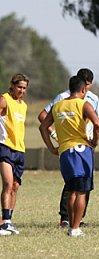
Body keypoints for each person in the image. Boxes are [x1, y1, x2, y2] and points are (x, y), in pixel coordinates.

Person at [39, 75, 99, 237]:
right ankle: (75, 228)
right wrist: (94, 140)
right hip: (81, 150)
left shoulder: (58, 106)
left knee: (72, 189)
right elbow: (97, 124)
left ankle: (70, 225)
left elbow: (43, 126)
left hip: (65, 151)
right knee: (81, 191)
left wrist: (52, 147)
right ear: (83, 89)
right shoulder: (84, 104)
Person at [0, 74, 29, 236]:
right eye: (19, 87)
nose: (22, 91)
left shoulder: (23, 105)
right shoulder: (4, 99)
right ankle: (4, 224)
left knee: (15, 187)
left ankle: (8, 221)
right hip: (4, 147)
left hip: (20, 150)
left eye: (24, 88)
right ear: (12, 85)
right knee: (8, 183)